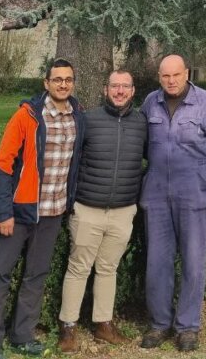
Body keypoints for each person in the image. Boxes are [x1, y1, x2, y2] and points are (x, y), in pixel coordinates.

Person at [0, 59, 85, 359]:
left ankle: (22, 336)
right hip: (20, 210)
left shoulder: (78, 116)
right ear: (46, 83)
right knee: (1, 273)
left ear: (73, 83)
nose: (63, 84)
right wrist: (4, 212)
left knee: (36, 275)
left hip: (53, 212)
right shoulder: (27, 116)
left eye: (68, 79)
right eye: (57, 79)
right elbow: (3, 165)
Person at [138, 55, 206, 353]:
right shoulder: (150, 103)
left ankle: (188, 327)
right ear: (159, 76)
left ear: (186, 73)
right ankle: (159, 323)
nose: (171, 81)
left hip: (195, 194)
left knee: (193, 262)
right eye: (165, 76)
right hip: (156, 195)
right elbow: (139, 145)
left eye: (176, 75)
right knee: (157, 263)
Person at [56, 69, 148, 353]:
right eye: (114, 86)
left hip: (123, 210)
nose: (119, 91)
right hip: (88, 208)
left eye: (125, 86)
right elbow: (71, 161)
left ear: (132, 91)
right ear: (105, 89)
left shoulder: (142, 123)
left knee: (109, 268)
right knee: (78, 268)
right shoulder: (88, 119)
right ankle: (68, 327)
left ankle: (103, 325)